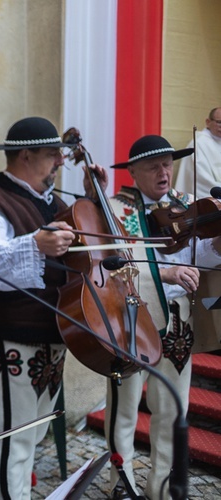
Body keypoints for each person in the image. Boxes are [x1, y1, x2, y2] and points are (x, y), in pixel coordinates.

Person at [0, 116, 106, 500]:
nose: (60, 160)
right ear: (25, 156)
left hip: (52, 335)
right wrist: (33, 245)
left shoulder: (54, 202)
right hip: (12, 339)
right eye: (52, 154)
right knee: (12, 436)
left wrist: (93, 201)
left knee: (33, 432)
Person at [104, 134, 221, 500]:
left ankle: (164, 487)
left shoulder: (188, 204)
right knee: (123, 409)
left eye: (168, 163)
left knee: (172, 407)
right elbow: (110, 267)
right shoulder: (115, 208)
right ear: (133, 171)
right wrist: (166, 273)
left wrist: (217, 244)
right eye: (153, 165)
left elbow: (203, 257)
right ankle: (121, 483)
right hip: (131, 317)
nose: (164, 171)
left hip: (179, 320)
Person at [174, 107, 221, 353]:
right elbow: (204, 182)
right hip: (209, 217)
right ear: (208, 121)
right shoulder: (199, 143)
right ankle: (213, 335)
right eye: (218, 122)